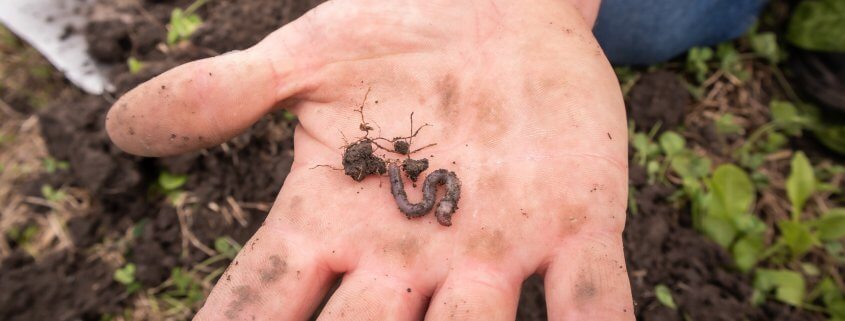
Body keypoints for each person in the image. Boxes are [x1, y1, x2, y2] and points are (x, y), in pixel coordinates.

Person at [105, 0, 762, 319]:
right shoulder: (412, 177)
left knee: (660, 23)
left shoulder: (424, 182)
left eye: (435, 197)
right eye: (435, 197)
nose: (433, 201)